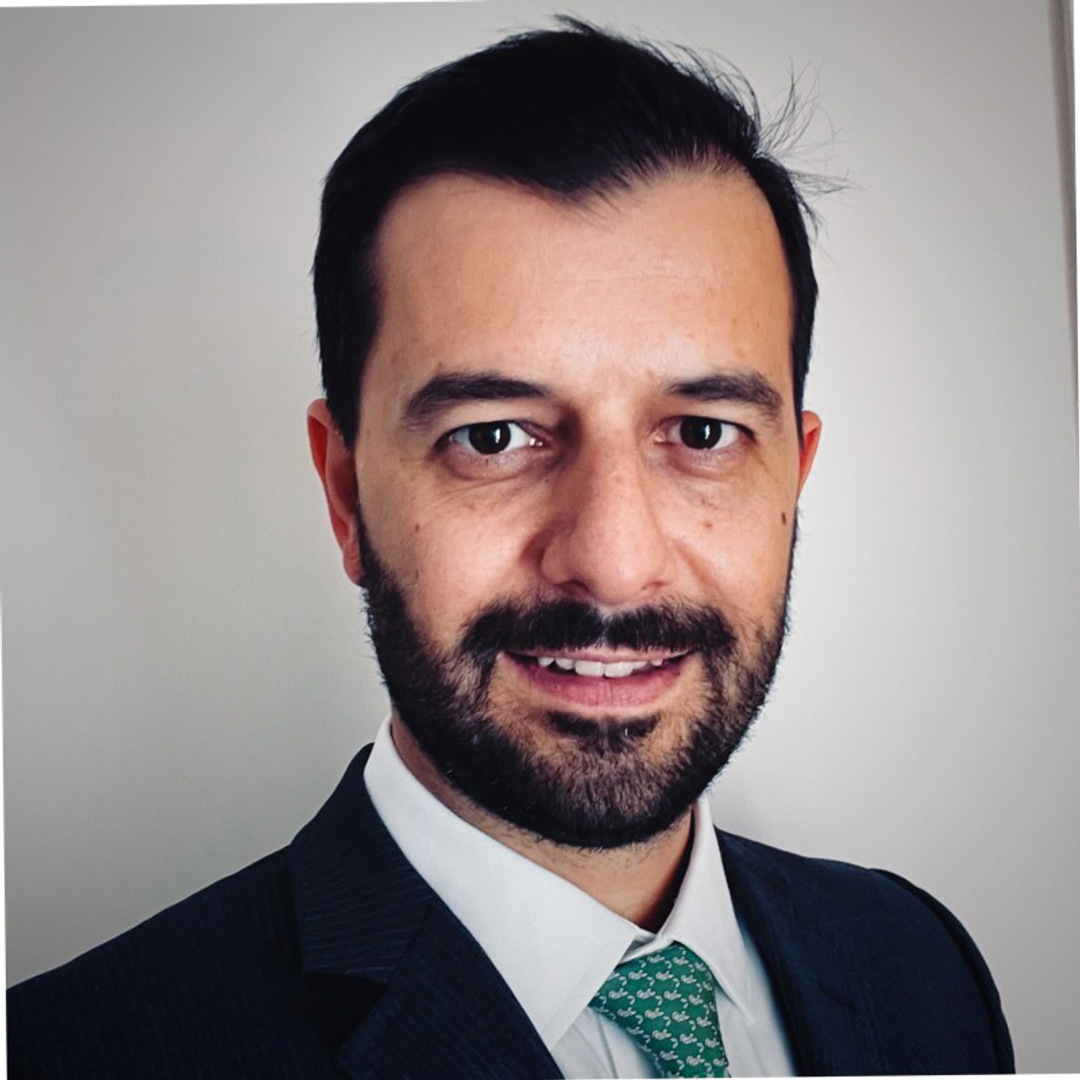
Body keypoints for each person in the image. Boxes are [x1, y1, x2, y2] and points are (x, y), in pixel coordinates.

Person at [7, 20, 1013, 1079]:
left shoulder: (919, 962)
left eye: (703, 432)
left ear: (793, 480)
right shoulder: (70, 1053)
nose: (613, 562)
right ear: (346, 494)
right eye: (492, 437)